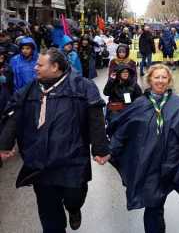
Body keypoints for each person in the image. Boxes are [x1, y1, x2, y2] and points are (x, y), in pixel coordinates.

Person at [0, 47, 111, 233]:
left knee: (74, 197)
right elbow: (14, 115)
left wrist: (100, 148)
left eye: (40, 64)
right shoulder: (30, 89)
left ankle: (74, 209)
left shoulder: (82, 86)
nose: (35, 68)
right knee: (49, 212)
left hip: (72, 158)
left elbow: (96, 117)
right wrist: (4, 144)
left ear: (55, 67)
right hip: (39, 161)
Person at [107, 64, 179, 233]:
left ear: (169, 80)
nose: (160, 81)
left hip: (169, 163)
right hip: (147, 163)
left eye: (164, 77)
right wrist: (109, 151)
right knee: (154, 205)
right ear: (149, 80)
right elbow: (123, 130)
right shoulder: (139, 104)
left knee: (157, 202)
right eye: (156, 77)